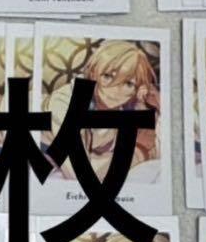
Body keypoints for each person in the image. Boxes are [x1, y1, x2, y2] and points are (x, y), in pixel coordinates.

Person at [46, 40, 159, 182]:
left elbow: (155, 148)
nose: (115, 90)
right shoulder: (65, 101)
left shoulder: (127, 106)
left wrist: (152, 104)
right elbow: (81, 176)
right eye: (108, 76)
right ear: (93, 72)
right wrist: (139, 152)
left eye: (128, 83)